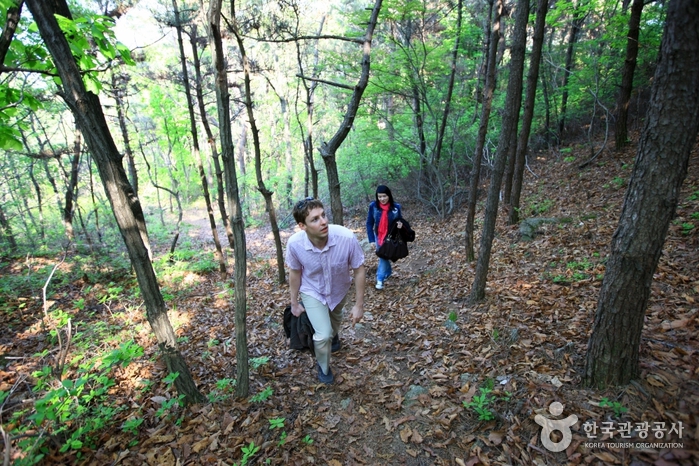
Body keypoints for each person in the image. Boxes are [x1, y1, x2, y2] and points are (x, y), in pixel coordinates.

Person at [286, 197, 366, 384]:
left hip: (339, 291)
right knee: (322, 335)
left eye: (323, 215)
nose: (323, 222)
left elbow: (359, 268)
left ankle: (333, 333)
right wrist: (294, 303)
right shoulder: (295, 244)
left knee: (332, 326)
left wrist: (359, 305)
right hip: (312, 290)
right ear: (302, 226)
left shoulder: (346, 237)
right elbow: (295, 272)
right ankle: (323, 367)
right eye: (315, 219)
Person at [366, 185, 403, 290]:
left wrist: (400, 225)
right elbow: (369, 223)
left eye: (384, 196)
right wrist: (371, 239)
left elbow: (400, 221)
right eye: (379, 197)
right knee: (383, 255)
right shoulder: (373, 206)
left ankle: (381, 277)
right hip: (378, 235)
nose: (382, 199)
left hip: (391, 236)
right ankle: (384, 275)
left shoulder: (396, 208)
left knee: (384, 255)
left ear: (389, 196)